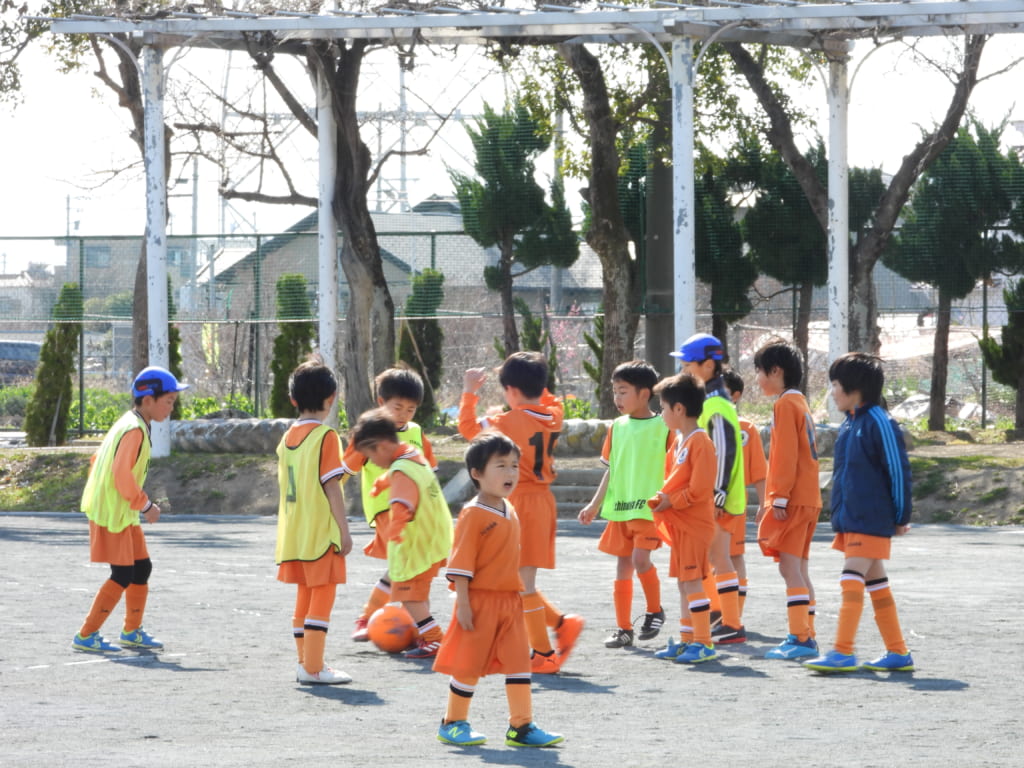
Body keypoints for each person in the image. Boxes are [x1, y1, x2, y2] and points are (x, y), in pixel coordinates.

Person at [434, 432, 564, 748]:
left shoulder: (510, 509)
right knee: (468, 665)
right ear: (477, 474)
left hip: (510, 601)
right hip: (479, 602)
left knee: (519, 663)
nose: (510, 473)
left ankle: (521, 727)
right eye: (501, 466)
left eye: (514, 466)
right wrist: (463, 604)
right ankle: (452, 722)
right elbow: (461, 563)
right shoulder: (473, 513)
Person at [459, 351, 583, 674]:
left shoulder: (505, 422)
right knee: (518, 578)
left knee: (522, 582)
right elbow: (547, 400)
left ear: (511, 390)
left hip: (521, 501)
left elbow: (469, 428)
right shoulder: (553, 413)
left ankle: (543, 653)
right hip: (542, 500)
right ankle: (559, 624)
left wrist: (470, 392)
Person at [804, 352, 915, 673]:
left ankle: (842, 650)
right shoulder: (852, 424)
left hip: (872, 518)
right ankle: (898, 652)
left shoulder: (880, 422)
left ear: (855, 389)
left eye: (836, 385)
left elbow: (898, 470)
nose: (832, 392)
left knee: (850, 577)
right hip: (854, 519)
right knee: (875, 582)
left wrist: (901, 515)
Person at [73, 365, 188, 654]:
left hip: (120, 510)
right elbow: (121, 474)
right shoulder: (134, 429)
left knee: (142, 567)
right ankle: (87, 634)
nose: (171, 408)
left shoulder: (132, 422)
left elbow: (99, 459)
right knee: (123, 573)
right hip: (115, 511)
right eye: (169, 401)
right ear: (148, 400)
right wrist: (146, 505)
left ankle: (132, 631)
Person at [578, 361, 671, 648]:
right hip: (620, 510)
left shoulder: (664, 426)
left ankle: (655, 610)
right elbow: (612, 469)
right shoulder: (616, 427)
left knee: (640, 560)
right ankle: (623, 628)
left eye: (623, 392)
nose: (616, 399)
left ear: (645, 394)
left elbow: (675, 468)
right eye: (614, 392)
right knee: (622, 567)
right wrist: (595, 504)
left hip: (648, 509)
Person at [342, 367, 438, 642]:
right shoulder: (370, 433)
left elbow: (429, 469)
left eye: (411, 409)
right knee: (407, 568)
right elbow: (347, 468)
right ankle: (371, 619)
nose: (404, 414)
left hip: (418, 515)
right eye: (398, 407)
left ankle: (414, 627)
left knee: (413, 570)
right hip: (388, 511)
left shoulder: (417, 433)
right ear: (381, 403)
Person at [274, 360, 354, 685]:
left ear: (293, 399)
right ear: (332, 397)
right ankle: (314, 667)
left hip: (294, 532)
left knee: (304, 596)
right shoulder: (326, 436)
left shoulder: (286, 437)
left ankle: (305, 661)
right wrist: (345, 530)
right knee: (322, 595)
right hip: (320, 532)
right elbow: (330, 486)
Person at [351, 408, 453, 658]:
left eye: (370, 456)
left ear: (381, 446)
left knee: (408, 595)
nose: (372, 462)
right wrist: (382, 482)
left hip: (415, 541)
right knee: (418, 591)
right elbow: (406, 472)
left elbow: (403, 504)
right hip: (434, 536)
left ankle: (434, 638)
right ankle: (421, 635)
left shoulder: (400, 472)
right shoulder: (411, 454)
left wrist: (396, 530)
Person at [671, 334, 747, 645]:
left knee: (718, 556)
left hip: (717, 497)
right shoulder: (714, 398)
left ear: (708, 364)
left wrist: (717, 494)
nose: (683, 370)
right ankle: (724, 618)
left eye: (687, 365)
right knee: (718, 557)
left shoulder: (714, 402)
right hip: (720, 495)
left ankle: (730, 622)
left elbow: (724, 449)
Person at [753, 338, 822, 660]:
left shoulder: (784, 405)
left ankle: (799, 637)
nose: (757, 378)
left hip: (792, 498)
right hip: (810, 498)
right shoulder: (801, 403)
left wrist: (776, 498)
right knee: (800, 569)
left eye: (760, 371)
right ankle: (807, 633)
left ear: (776, 371)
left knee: (790, 569)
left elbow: (783, 456)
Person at [647, 372, 719, 664]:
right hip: (680, 522)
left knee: (692, 581)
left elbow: (700, 490)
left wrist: (670, 501)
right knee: (683, 581)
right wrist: (664, 500)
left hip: (693, 524)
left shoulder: (700, 442)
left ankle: (703, 643)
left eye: (663, 408)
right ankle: (687, 638)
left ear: (679, 409)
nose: (661, 414)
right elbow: (673, 481)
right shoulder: (679, 442)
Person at [722, 368, 768, 623]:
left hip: (733, 506)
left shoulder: (746, 430)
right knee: (708, 558)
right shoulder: (699, 426)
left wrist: (764, 504)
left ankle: (733, 614)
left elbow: (759, 472)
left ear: (736, 396)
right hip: (704, 506)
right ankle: (714, 610)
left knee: (734, 555)